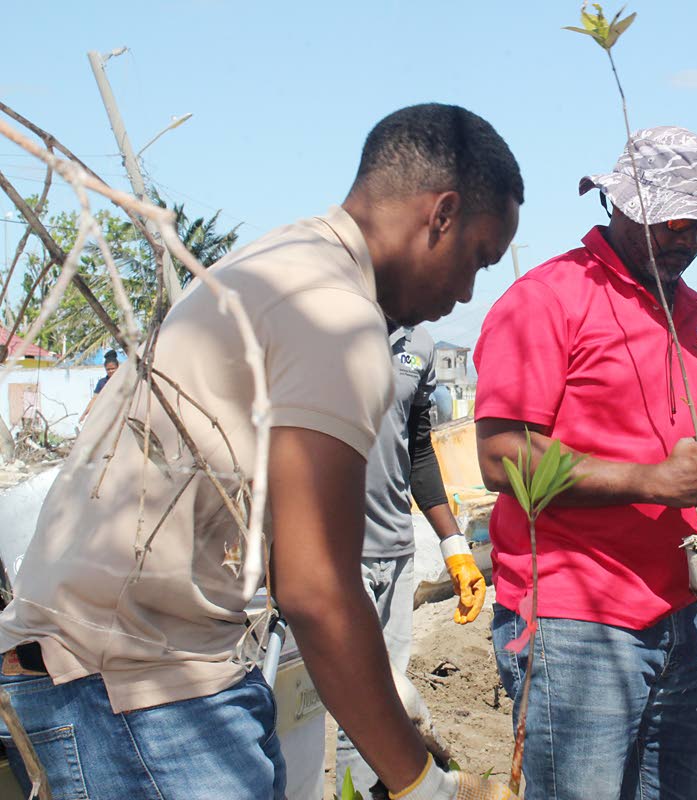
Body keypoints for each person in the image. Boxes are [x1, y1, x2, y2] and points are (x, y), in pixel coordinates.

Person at [0, 103, 522, 800]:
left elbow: (284, 547)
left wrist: (386, 695)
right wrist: (419, 782)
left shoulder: (278, 262)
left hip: (128, 669)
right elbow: (316, 588)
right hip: (136, 689)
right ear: (441, 215)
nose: (465, 294)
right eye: (477, 260)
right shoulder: (337, 318)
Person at [473, 126, 697, 800]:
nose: (687, 239)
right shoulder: (548, 299)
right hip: (573, 620)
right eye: (675, 221)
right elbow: (500, 456)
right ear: (621, 205)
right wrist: (650, 482)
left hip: (679, 619)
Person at [336, 322, 488, 796]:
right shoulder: (330, 321)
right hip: (335, 554)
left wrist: (456, 548)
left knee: (387, 703)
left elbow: (418, 450)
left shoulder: (419, 343)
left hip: (396, 553)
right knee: (352, 707)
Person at [78, 349, 119, 423]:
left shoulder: (124, 380)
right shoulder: (102, 383)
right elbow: (94, 399)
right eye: (108, 369)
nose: (110, 371)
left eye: (113, 369)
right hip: (107, 416)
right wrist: (84, 414)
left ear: (118, 367)